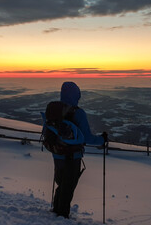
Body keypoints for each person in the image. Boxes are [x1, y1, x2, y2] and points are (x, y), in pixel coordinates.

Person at [52, 81, 108, 218]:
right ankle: (61, 216)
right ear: (76, 95)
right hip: (73, 157)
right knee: (68, 186)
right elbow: (87, 138)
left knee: (62, 184)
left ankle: (56, 211)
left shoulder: (54, 110)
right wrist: (102, 139)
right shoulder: (78, 113)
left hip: (57, 154)